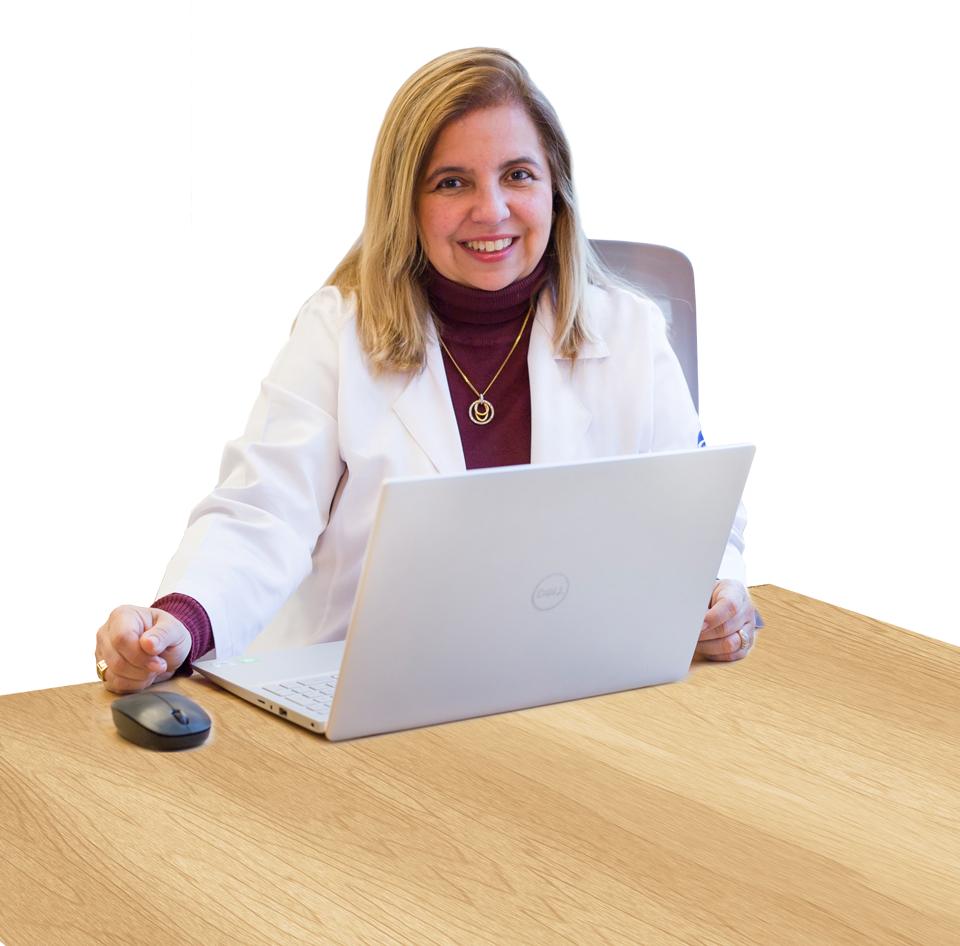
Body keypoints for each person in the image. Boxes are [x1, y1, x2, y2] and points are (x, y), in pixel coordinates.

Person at [95, 47, 758, 695]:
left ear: (556, 192)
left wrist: (718, 591)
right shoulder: (337, 332)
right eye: (452, 182)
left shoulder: (629, 331)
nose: (491, 210)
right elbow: (262, 512)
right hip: (363, 690)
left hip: (568, 681)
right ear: (405, 202)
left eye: (518, 175)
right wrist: (179, 623)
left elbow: (697, 508)